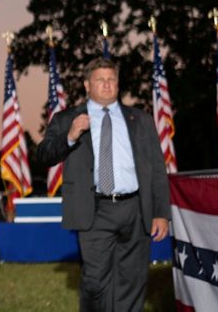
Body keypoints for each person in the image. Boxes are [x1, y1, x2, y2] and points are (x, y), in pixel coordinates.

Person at [35, 59, 170, 312]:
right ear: (87, 85)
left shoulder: (140, 119)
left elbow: (156, 169)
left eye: (112, 80)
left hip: (136, 208)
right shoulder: (69, 118)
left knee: (133, 279)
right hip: (96, 210)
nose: (107, 85)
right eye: (100, 80)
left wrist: (161, 212)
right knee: (95, 281)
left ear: (118, 84)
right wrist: (70, 137)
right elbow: (42, 155)